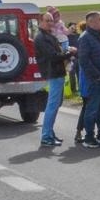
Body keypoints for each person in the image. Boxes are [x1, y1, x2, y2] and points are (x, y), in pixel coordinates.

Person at [75, 11, 100, 149]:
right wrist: (96, 76)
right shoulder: (85, 38)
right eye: (99, 19)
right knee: (92, 109)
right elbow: (84, 60)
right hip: (95, 80)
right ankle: (89, 137)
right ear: (91, 22)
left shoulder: (97, 36)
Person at [34, 12, 69, 146]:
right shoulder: (41, 38)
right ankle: (46, 136)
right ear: (40, 22)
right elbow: (53, 56)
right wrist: (68, 53)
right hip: (53, 73)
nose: (50, 23)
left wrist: (65, 52)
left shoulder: (48, 36)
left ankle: (50, 133)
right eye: (47, 20)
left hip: (57, 73)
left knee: (54, 105)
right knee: (52, 106)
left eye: (51, 21)